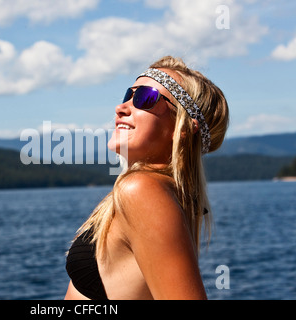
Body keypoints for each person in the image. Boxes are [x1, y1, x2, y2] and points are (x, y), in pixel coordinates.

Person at [65, 56, 229, 300]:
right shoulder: (163, 192)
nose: (121, 108)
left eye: (145, 97)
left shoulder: (142, 190)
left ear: (182, 129)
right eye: (127, 95)